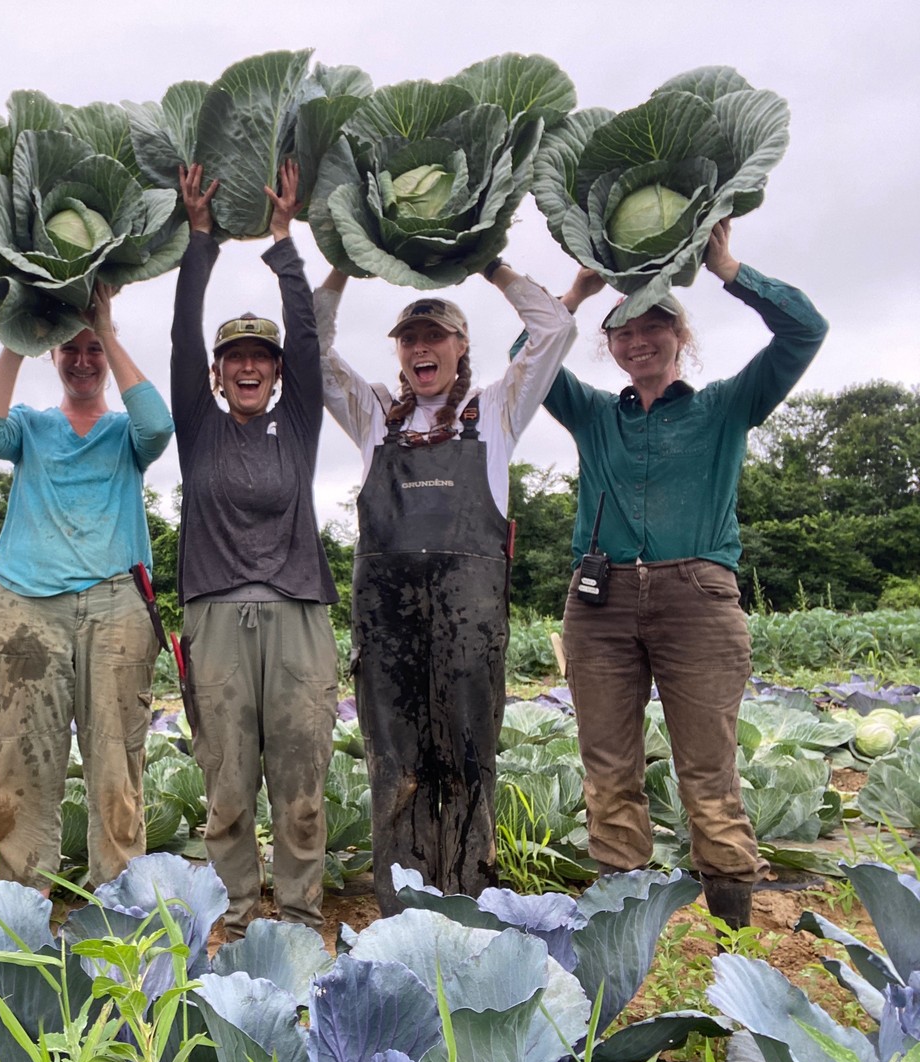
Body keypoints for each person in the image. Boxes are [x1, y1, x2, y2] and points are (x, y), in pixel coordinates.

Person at [547, 220, 828, 928]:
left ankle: (733, 924)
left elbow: (805, 330)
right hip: (600, 603)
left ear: (681, 336)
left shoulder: (726, 406)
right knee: (608, 770)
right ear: (610, 346)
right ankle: (625, 924)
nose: (639, 340)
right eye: (624, 331)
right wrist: (577, 291)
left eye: (655, 326)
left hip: (698, 600)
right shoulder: (590, 415)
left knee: (708, 770)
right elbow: (529, 360)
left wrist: (729, 268)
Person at [314, 255, 578, 912]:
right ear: (400, 355)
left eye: (436, 336)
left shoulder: (495, 413)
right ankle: (402, 911)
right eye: (410, 339)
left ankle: (468, 908)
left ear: (462, 348)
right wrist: (342, 273)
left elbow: (555, 331)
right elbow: (309, 343)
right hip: (389, 632)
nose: (422, 347)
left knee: (466, 769)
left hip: (469, 629)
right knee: (395, 773)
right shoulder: (373, 415)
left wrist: (492, 267)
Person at [171, 159, 339, 940]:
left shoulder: (297, 427)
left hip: (298, 615)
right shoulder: (198, 428)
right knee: (228, 782)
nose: (248, 366)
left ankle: (301, 913)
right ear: (215, 371)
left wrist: (284, 242)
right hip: (214, 620)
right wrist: (199, 240)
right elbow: (180, 331)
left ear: (275, 376)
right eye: (234, 356)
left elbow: (306, 338)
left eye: (260, 359)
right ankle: (238, 912)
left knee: (302, 777)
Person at [0, 285, 174, 891]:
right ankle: (24, 905)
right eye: (70, 350)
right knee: (23, 763)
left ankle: (120, 908)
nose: (83, 361)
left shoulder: (124, 436)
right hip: (29, 607)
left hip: (116, 606)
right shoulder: (29, 427)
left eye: (93, 352)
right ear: (52, 357)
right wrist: (21, 337)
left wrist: (105, 327)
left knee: (117, 765)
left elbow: (158, 426)